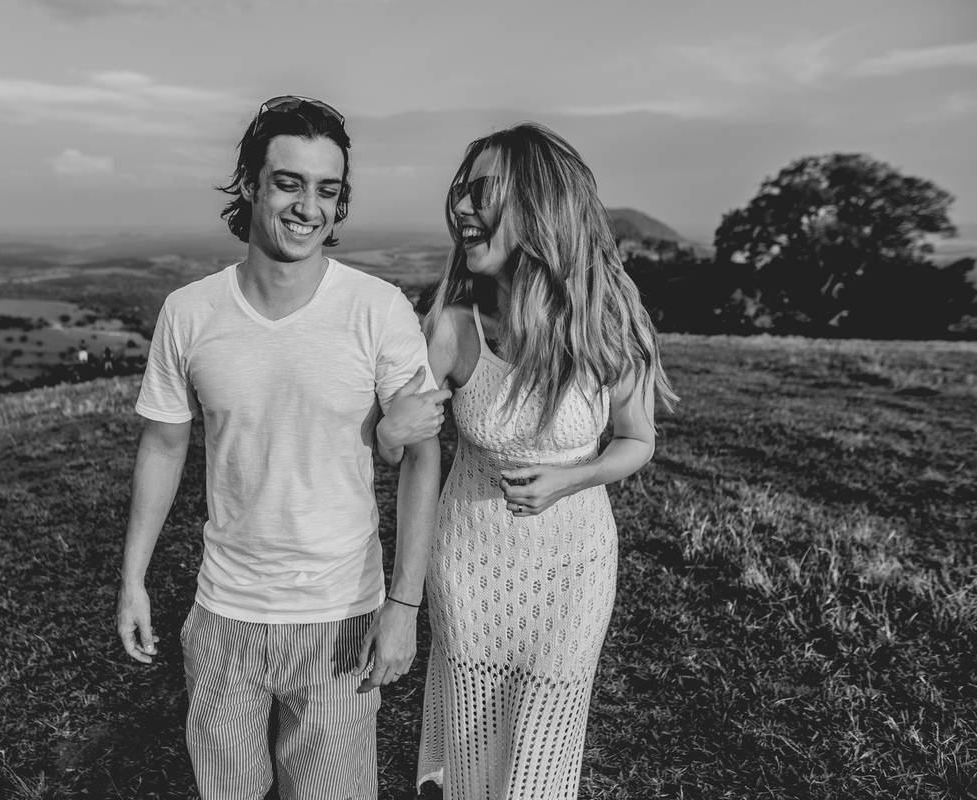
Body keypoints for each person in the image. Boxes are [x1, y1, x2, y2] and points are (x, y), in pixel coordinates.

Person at [115, 95, 449, 800]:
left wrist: (405, 606)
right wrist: (133, 578)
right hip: (223, 618)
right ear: (250, 185)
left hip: (343, 620)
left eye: (327, 190)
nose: (308, 207)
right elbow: (165, 446)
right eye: (290, 182)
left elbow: (422, 453)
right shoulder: (189, 313)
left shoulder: (377, 309)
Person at [376, 122, 679, 799]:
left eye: (479, 192)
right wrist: (388, 433)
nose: (460, 209)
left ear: (537, 206)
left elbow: (637, 440)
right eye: (459, 192)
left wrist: (576, 476)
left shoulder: (610, 320)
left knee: (546, 736)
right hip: (468, 567)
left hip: (573, 571)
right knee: (474, 739)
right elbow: (406, 447)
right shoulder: (453, 325)